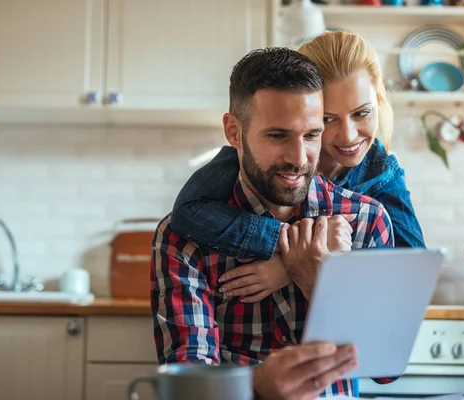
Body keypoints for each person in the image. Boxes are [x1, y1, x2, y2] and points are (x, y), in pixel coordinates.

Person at [150, 47, 396, 399]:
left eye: (311, 135)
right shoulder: (181, 237)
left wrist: (316, 283)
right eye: (278, 136)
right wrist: (255, 387)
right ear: (234, 133)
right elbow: (190, 378)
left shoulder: (367, 220)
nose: (298, 159)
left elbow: (386, 369)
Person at [169, 31, 425, 302]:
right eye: (328, 120)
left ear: (379, 102)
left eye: (361, 113)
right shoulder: (248, 159)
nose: (349, 136)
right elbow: (187, 214)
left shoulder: (381, 173)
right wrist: (291, 241)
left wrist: (290, 267)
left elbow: (412, 274)